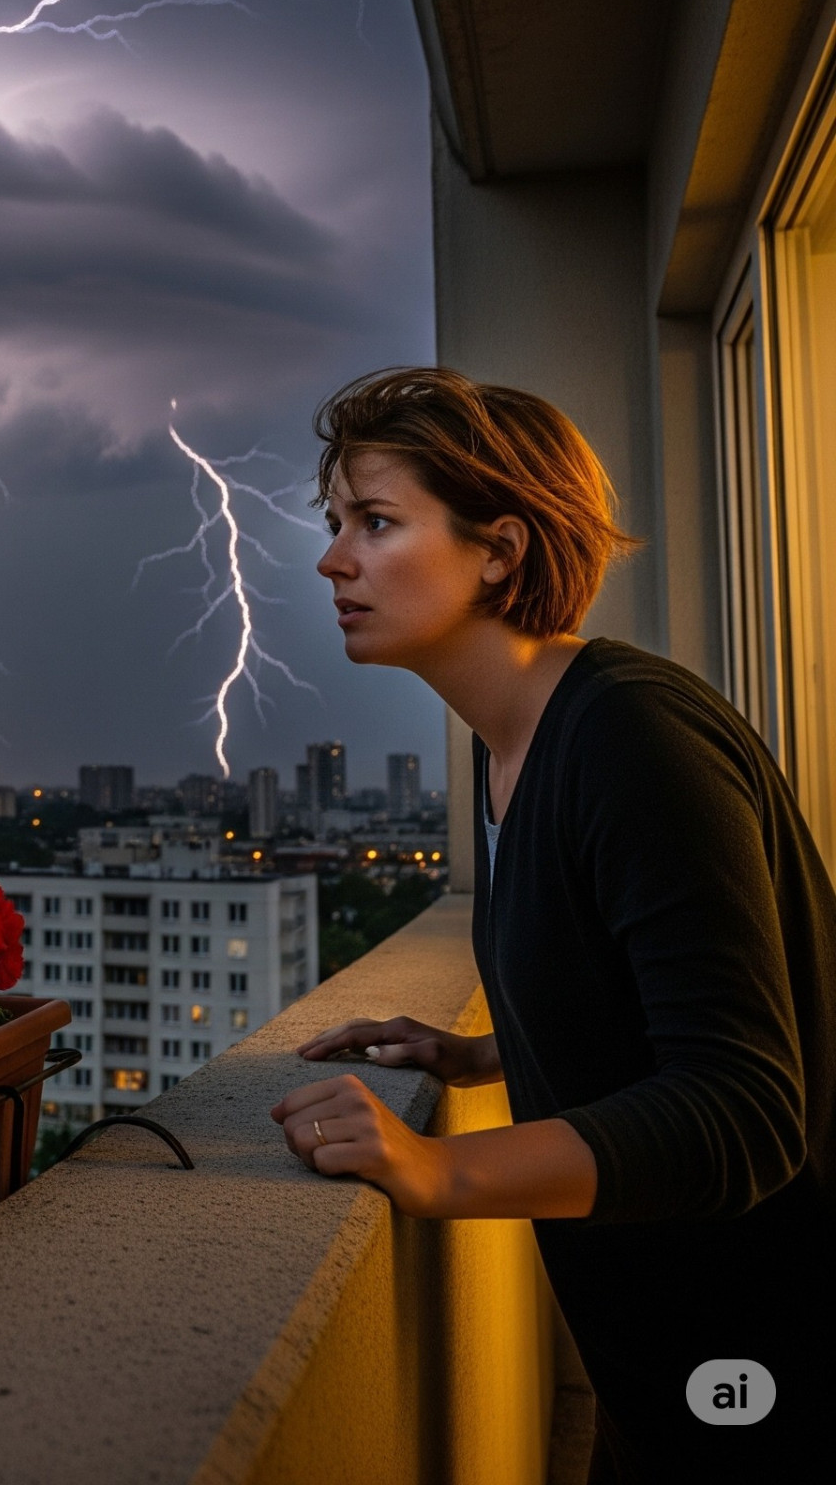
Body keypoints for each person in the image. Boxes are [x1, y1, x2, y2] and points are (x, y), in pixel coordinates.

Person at [266, 366, 834, 1481]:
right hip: (661, 1367)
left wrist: (436, 1171)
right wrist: (485, 1050)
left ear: (500, 550)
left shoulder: (631, 736)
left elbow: (746, 1108)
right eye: (338, 525)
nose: (334, 561)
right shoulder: (510, 746)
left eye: (376, 523)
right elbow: (639, 989)